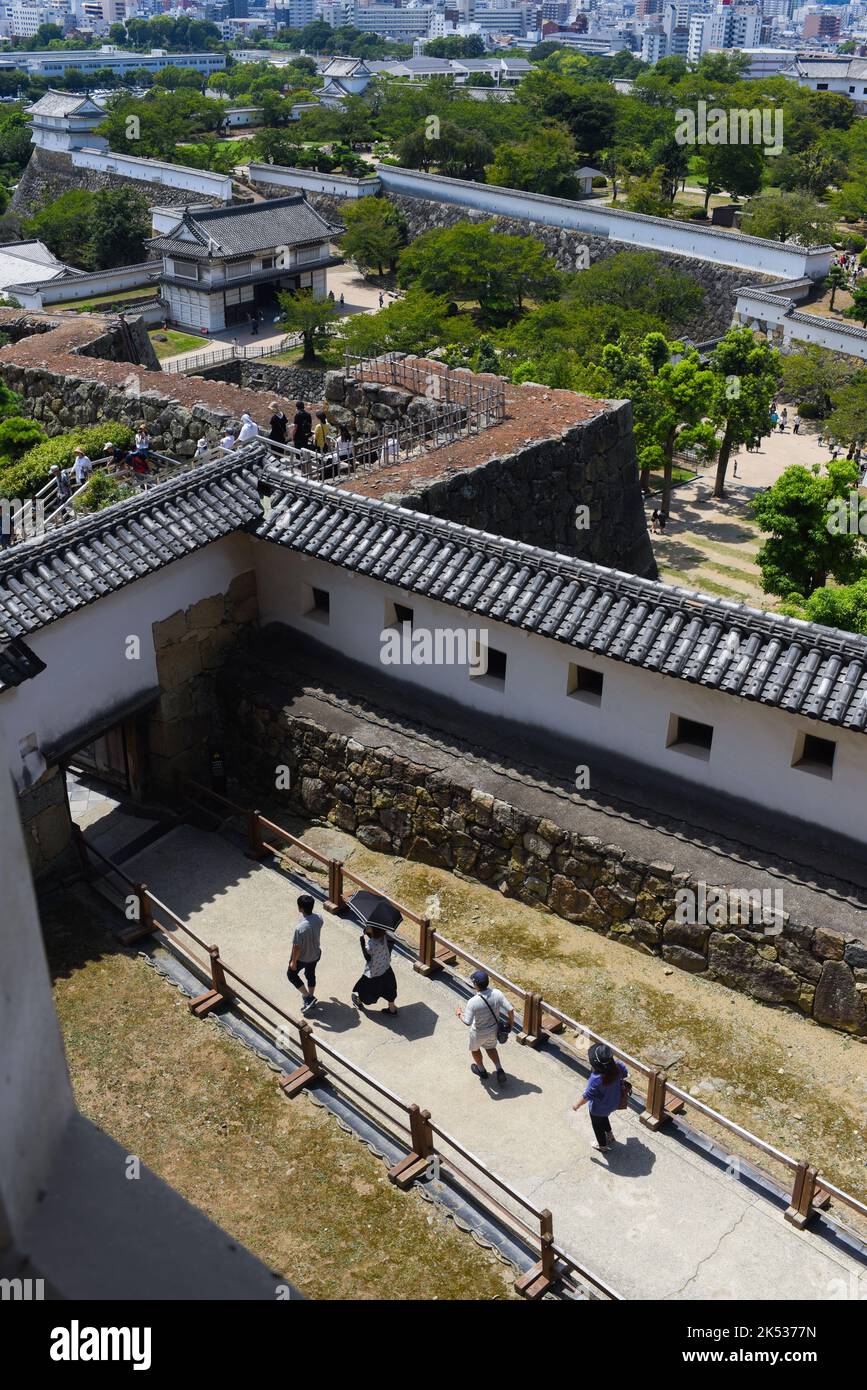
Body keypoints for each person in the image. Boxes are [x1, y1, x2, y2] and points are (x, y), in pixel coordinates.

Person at [455, 969, 514, 1085]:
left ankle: (481, 1070)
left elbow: (467, 1021)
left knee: (475, 1049)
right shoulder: (497, 994)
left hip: (478, 1032)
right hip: (493, 1030)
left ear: (476, 984)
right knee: (491, 1048)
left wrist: (459, 1013)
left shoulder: (473, 1002)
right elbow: (510, 1010)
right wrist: (510, 1025)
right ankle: (499, 1069)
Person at [571, 1042, 628, 1152]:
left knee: (597, 1126)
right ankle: (609, 1134)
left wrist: (577, 1105)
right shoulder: (618, 1066)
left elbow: (588, 1096)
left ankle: (602, 1145)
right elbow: (625, 1074)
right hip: (614, 1102)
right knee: (604, 1116)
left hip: (598, 1108)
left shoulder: (596, 1078)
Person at [287, 893, 324, 1016]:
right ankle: (311, 998)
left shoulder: (300, 928)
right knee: (310, 974)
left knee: (291, 975)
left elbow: (296, 947)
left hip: (303, 957)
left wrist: (293, 961)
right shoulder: (319, 918)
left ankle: (308, 997)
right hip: (315, 954)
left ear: (300, 908)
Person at [352, 925, 398, 1014]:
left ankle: (359, 1001)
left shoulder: (371, 945)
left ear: (374, 931)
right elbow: (376, 938)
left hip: (374, 973)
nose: (367, 927)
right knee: (390, 988)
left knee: (365, 990)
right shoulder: (384, 936)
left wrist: (362, 941)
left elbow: (367, 957)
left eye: (369, 927)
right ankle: (392, 1008)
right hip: (386, 967)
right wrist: (369, 933)